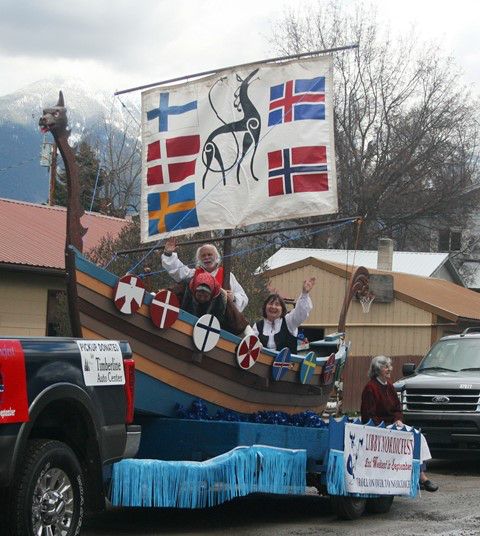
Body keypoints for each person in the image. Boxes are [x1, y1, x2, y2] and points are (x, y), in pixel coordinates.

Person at [361, 355, 438, 492]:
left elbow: (397, 408)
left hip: (393, 425)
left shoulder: (389, 386)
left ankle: (420, 475)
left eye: (389, 366)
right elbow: (368, 415)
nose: (389, 369)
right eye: (386, 367)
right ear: (378, 370)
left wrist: (398, 420)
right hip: (380, 428)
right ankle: (421, 478)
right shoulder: (370, 388)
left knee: (417, 437)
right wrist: (383, 428)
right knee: (406, 438)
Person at [162, 237, 248, 312]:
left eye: (209, 254)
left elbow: (243, 298)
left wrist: (233, 298)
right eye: (203, 255)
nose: (206, 257)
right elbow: (177, 270)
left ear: (216, 257)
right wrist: (168, 254)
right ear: (199, 259)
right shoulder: (194, 274)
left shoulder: (227, 275)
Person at [252, 278, 316, 353]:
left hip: (289, 364)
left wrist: (305, 294)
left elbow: (300, 313)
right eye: (270, 304)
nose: (273, 307)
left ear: (282, 309)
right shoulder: (257, 326)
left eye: (277, 304)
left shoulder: (289, 321)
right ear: (265, 307)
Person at [178, 271, 249, 336]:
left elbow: (239, 323)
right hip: (183, 329)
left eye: (205, 296)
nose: (202, 299)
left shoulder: (222, 299)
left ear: (211, 295)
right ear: (194, 292)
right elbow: (170, 298)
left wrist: (250, 335)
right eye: (199, 295)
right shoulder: (185, 288)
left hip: (212, 336)